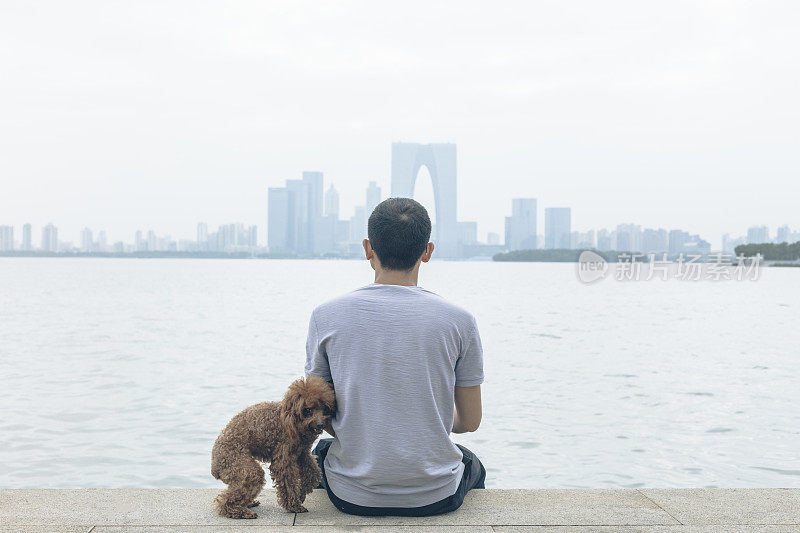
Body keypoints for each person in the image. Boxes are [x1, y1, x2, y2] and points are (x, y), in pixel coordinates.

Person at [304, 197, 486, 517]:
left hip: (351, 496)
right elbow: (469, 422)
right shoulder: (460, 321)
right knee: (471, 462)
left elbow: (314, 413)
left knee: (322, 451)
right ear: (427, 251)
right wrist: (433, 421)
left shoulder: (326, 316)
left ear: (368, 248)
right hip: (435, 497)